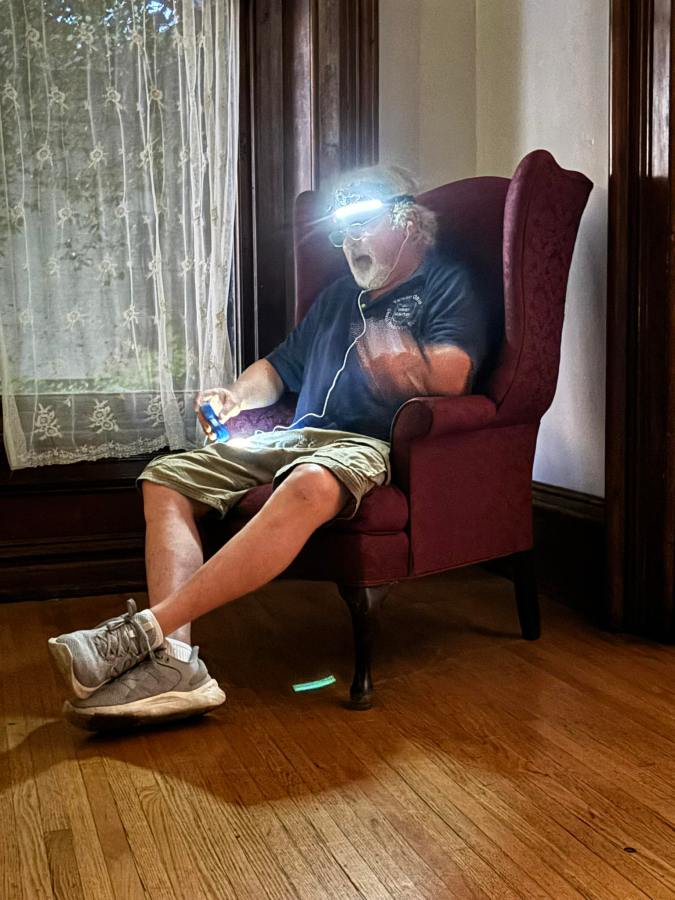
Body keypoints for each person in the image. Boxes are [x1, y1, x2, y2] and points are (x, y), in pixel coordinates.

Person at [48, 165, 500, 730]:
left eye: (361, 226)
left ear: (407, 222)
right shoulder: (337, 297)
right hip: (292, 435)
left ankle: (147, 632)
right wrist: (235, 396)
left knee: (310, 482)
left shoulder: (447, 283)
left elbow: (456, 378)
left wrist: (410, 366)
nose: (350, 242)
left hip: (367, 442)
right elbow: (279, 368)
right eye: (342, 233)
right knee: (165, 477)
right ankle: (177, 661)